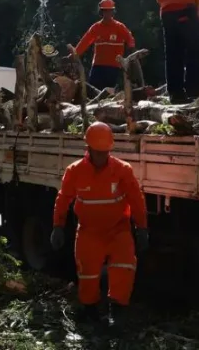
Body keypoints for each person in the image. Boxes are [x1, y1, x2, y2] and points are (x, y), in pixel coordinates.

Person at [50, 122, 148, 327]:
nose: (102, 156)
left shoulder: (122, 170)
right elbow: (63, 198)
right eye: (98, 152)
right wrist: (58, 226)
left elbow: (136, 199)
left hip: (118, 229)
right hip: (89, 230)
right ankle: (90, 310)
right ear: (89, 149)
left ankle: (118, 311)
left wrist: (142, 227)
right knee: (88, 273)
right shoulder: (75, 171)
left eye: (105, 152)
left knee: (124, 266)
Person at [72, 0, 135, 91]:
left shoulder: (119, 27)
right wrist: (73, 54)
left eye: (109, 11)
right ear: (101, 12)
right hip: (98, 66)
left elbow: (130, 40)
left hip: (113, 67)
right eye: (105, 11)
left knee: (108, 92)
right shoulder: (96, 28)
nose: (107, 14)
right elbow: (84, 42)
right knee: (92, 91)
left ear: (113, 12)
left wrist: (131, 50)